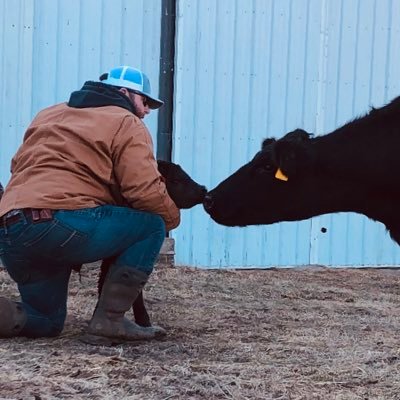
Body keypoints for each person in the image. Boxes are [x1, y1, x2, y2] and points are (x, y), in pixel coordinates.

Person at [0, 65, 180, 345]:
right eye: (145, 102)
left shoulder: (49, 114)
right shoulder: (125, 121)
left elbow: (17, 166)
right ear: (124, 93)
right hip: (60, 224)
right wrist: (170, 220)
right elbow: (143, 189)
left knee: (45, 321)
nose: (146, 111)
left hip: (12, 229)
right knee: (150, 225)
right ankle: (110, 321)